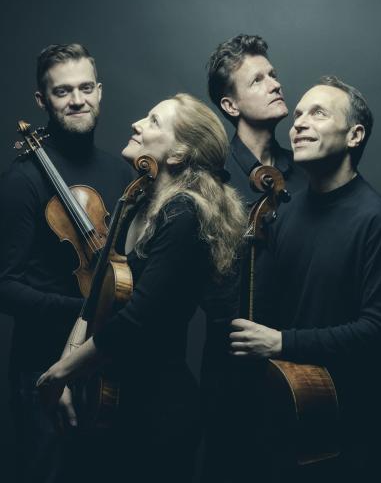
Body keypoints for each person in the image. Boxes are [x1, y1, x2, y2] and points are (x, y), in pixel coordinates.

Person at [35, 93, 246, 481]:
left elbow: (138, 321)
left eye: (153, 121)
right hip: (111, 399)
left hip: (158, 412)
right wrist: (65, 373)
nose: (137, 124)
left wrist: (63, 372)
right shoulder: (134, 203)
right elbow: (93, 300)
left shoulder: (183, 215)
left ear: (179, 153)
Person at [229, 76, 381, 481]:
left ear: (354, 135)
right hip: (285, 410)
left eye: (318, 113)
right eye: (297, 115)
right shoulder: (282, 213)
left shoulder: (378, 218)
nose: (298, 124)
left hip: (351, 422)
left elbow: (378, 330)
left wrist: (282, 342)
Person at [0, 43, 134, 482]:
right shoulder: (21, 181)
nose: (76, 100)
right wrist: (88, 311)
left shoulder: (121, 173)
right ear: (42, 100)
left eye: (86, 87)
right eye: (62, 91)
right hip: (43, 364)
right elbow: (1, 287)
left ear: (100, 91)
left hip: (109, 360)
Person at [201, 34, 306, 482]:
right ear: (230, 105)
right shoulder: (211, 178)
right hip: (233, 370)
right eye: (258, 79)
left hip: (300, 358)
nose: (275, 84)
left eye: (274, 75)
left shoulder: (303, 170)